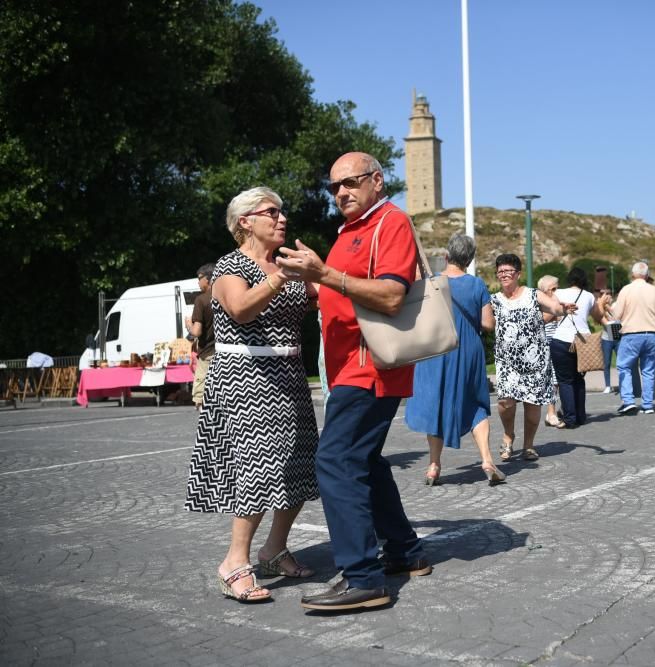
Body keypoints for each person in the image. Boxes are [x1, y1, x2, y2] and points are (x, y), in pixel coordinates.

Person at [276, 152, 429, 612]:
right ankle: (404, 551)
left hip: (371, 368)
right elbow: (334, 290)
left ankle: (363, 577)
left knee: (336, 462)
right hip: (348, 367)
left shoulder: (390, 223)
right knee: (366, 460)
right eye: (334, 186)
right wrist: (306, 280)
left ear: (377, 182)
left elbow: (391, 294)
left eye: (351, 182)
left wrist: (324, 273)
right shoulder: (350, 230)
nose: (341, 192)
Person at [185, 187, 320, 604]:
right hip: (246, 378)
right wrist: (283, 277)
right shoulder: (231, 266)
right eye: (271, 212)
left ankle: (273, 550)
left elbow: (322, 298)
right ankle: (233, 562)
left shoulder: (285, 262)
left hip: (290, 374)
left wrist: (320, 272)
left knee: (300, 466)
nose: (282, 219)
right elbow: (241, 308)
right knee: (259, 472)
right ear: (245, 221)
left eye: (282, 212)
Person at [404, 233, 504, 486]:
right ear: (469, 260)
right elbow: (487, 323)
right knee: (476, 404)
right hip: (467, 348)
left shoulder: (432, 282)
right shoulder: (477, 285)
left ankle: (434, 465)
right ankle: (487, 460)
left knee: (435, 403)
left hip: (436, 349)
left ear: (447, 256)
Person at [492, 254, 574, 461]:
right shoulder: (494, 300)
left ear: (518, 274)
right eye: (500, 272)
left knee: (532, 405)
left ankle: (528, 445)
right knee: (505, 402)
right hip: (507, 362)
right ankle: (508, 434)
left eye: (508, 271)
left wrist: (562, 309)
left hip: (535, 360)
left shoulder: (532, 294)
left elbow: (553, 307)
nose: (504, 275)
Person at [596, 262, 655, 415]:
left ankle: (629, 401)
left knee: (624, 367)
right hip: (651, 334)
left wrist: (606, 307)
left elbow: (616, 315)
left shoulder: (626, 290)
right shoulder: (654, 290)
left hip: (631, 334)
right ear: (647, 274)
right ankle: (648, 404)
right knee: (649, 370)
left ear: (633, 275)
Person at [549, 267, 603, 429]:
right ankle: (580, 416)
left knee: (565, 380)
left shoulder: (559, 293)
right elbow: (598, 317)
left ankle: (570, 418)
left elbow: (549, 315)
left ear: (569, 279)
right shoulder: (589, 296)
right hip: (583, 341)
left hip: (562, 339)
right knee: (579, 379)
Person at [184, 263, 216, 410]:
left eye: (199, 278)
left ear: (208, 279)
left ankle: (206, 428)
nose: (198, 282)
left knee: (201, 397)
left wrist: (189, 324)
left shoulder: (201, 300)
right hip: (225, 353)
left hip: (207, 353)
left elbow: (197, 332)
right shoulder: (226, 296)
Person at [537, 275, 564, 428]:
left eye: (557, 287)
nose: (556, 291)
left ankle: (556, 410)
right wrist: (556, 309)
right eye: (553, 289)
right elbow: (542, 320)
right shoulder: (543, 304)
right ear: (544, 291)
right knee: (552, 380)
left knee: (557, 380)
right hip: (546, 344)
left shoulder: (556, 303)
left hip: (558, 342)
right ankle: (551, 412)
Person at [599, 288, 621, 394]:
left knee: (620, 362)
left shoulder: (616, 305)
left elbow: (616, 319)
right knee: (606, 363)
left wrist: (607, 306)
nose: (606, 296)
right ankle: (607, 385)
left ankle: (622, 384)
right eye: (603, 294)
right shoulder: (600, 308)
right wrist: (603, 306)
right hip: (606, 338)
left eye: (608, 294)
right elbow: (604, 321)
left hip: (617, 338)